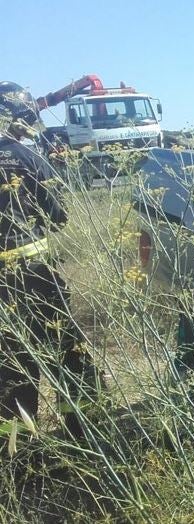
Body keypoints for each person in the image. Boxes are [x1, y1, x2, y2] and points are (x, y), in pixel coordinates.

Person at [0, 81, 100, 440]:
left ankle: (13, 452)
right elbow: (59, 217)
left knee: (13, 364)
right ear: (21, 118)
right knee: (68, 354)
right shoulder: (29, 158)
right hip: (36, 277)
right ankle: (81, 436)